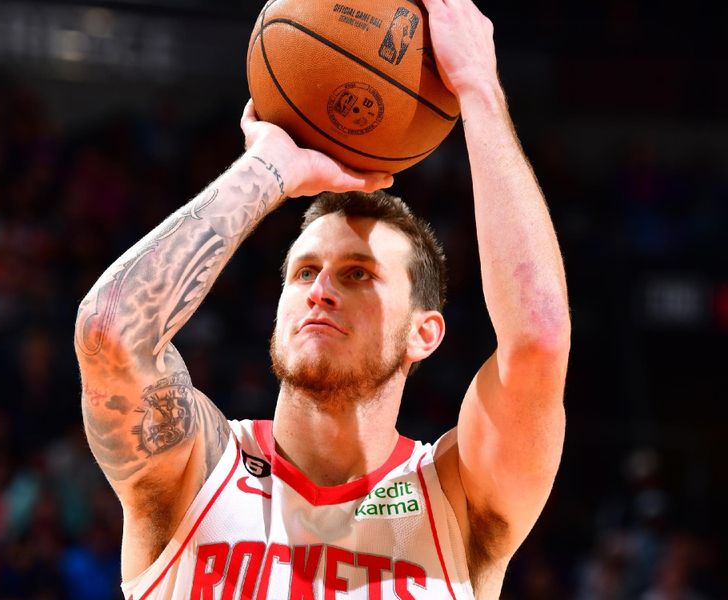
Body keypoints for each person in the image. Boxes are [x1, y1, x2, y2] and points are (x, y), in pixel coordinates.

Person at [74, 0, 570, 598]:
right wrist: (266, 170)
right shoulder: (194, 471)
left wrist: (480, 91)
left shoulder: (459, 499)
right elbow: (109, 330)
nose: (321, 291)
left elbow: (539, 337)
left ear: (425, 332)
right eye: (304, 272)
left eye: (358, 274)